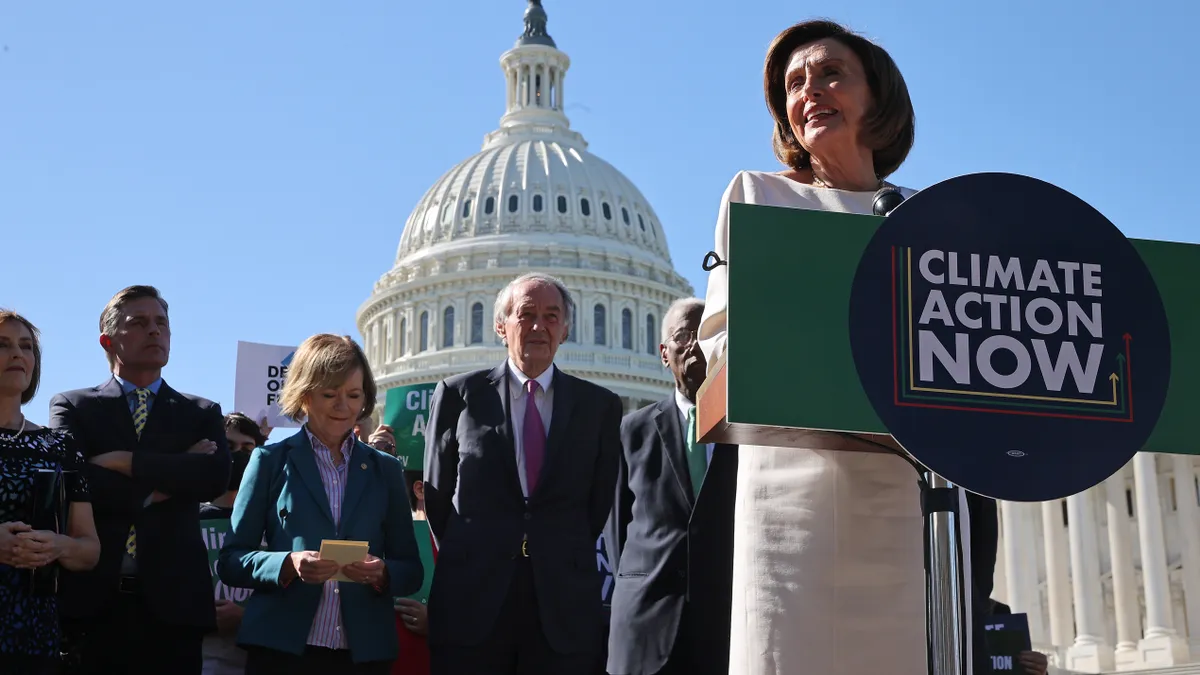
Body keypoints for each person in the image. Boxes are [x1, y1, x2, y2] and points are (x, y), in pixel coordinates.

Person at [697, 20, 990, 675]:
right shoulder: (761, 194)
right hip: (796, 503)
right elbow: (722, 355)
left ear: (876, 96)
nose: (811, 92)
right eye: (794, 84)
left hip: (913, 497)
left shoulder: (927, 215)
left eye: (831, 74)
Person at [424, 271, 622, 675]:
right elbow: (436, 497)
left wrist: (553, 546)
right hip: (474, 599)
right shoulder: (459, 396)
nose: (538, 326)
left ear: (565, 330)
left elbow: (597, 503)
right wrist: (480, 549)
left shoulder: (599, 408)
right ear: (501, 326)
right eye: (525, 314)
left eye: (551, 316)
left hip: (561, 602)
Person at [49, 285, 232, 675]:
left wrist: (124, 461)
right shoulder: (73, 406)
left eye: (162, 323)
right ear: (108, 340)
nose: (155, 331)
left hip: (175, 611)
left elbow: (213, 478)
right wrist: (174, 471)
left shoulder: (200, 412)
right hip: (93, 605)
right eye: (139, 322)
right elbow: (74, 482)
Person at [217, 334, 424, 675]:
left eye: (354, 396)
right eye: (330, 395)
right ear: (305, 395)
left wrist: (383, 573)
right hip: (281, 651)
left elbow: (411, 569)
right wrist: (287, 564)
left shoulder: (386, 470)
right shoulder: (268, 461)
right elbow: (231, 560)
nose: (344, 407)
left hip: (364, 655)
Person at [605, 298, 739, 675]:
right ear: (665, 353)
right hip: (647, 628)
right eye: (685, 335)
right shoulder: (631, 431)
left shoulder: (748, 433)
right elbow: (617, 532)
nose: (696, 345)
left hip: (726, 629)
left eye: (707, 335)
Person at [0, 311, 100, 675]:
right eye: (3, 344)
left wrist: (57, 546)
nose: (18, 354)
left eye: (26, 346)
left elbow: (89, 549)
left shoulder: (58, 446)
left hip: (34, 635)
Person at [200, 413, 267, 675]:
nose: (239, 456)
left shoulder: (275, 523)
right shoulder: (182, 517)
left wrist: (245, 617)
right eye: (229, 447)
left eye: (248, 449)